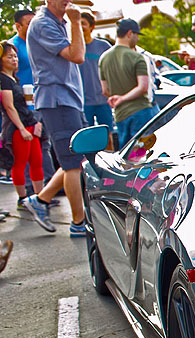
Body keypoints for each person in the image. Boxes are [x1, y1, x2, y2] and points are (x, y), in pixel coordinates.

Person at [22, 0, 87, 236]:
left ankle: (41, 200)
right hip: (57, 100)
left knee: (77, 158)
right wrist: (77, 21)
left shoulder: (57, 23)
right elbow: (77, 55)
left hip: (66, 99)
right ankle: (78, 223)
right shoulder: (43, 24)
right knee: (72, 163)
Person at [9, 8, 56, 204]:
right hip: (23, 106)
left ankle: (45, 189)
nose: (32, 28)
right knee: (25, 152)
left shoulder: (36, 42)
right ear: (18, 26)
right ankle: (29, 193)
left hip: (41, 100)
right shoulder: (12, 47)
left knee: (43, 146)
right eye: (28, 24)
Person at [99, 19, 159, 147]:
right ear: (130, 33)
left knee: (127, 156)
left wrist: (117, 98)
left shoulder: (103, 58)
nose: (137, 39)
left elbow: (104, 90)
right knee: (144, 153)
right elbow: (143, 87)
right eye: (137, 35)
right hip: (141, 112)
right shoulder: (137, 57)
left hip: (120, 115)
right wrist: (123, 98)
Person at [1, 42, 45, 202]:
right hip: (17, 127)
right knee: (20, 163)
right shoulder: (3, 80)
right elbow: (9, 107)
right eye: (9, 56)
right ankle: (22, 198)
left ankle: (40, 198)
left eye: (15, 56)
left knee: (37, 161)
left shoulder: (14, 79)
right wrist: (21, 128)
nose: (14, 59)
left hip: (29, 123)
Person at [78, 12, 114, 133]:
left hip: (103, 100)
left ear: (91, 26)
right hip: (83, 102)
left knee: (107, 134)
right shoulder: (73, 48)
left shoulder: (104, 46)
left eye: (83, 23)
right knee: (88, 136)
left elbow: (114, 69)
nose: (80, 26)